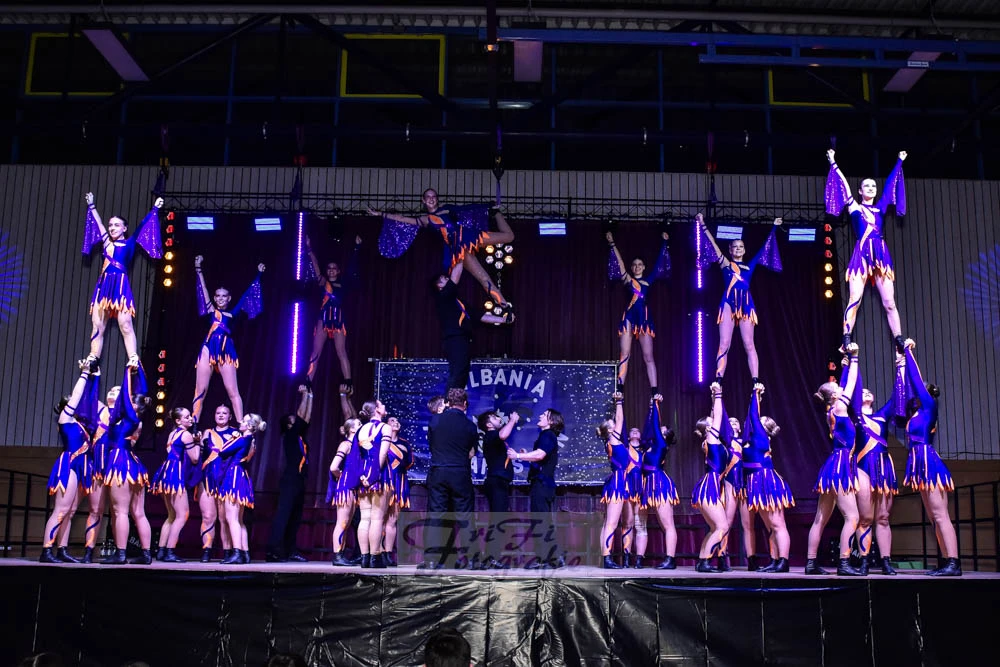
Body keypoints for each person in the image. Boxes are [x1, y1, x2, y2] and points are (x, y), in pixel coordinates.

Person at [371, 188, 515, 312]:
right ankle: (504, 306)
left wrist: (488, 206)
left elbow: (465, 208)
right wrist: (382, 214)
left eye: (433, 196)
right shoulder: (425, 219)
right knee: (484, 278)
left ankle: (496, 213)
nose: (431, 199)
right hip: (458, 249)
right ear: (423, 200)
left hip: (467, 236)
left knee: (509, 236)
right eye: (428, 197)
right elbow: (401, 218)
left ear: (437, 199)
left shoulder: (446, 208)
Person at [825, 149, 908, 352]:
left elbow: (890, 185)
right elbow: (843, 186)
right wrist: (833, 162)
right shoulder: (855, 208)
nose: (870, 188)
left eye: (873, 186)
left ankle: (898, 339)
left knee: (889, 302)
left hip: (880, 256)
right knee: (855, 299)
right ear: (860, 191)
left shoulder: (880, 208)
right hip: (861, 255)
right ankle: (846, 337)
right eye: (866, 186)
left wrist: (899, 162)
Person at [696, 213, 782, 382]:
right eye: (734, 247)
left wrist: (774, 227)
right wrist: (703, 224)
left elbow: (765, 246)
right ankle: (718, 381)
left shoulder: (750, 265)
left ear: (744, 250)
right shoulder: (725, 264)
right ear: (730, 250)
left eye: (741, 246)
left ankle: (756, 382)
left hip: (746, 304)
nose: (738, 249)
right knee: (724, 344)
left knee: (749, 343)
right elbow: (713, 246)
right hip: (728, 302)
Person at [81, 192, 163, 369]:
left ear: (125, 228)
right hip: (104, 286)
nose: (112, 228)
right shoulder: (106, 243)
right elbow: (99, 225)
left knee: (125, 324)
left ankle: (133, 357)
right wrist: (92, 206)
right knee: (97, 325)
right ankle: (93, 357)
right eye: (111, 225)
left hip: (120, 286)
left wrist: (155, 209)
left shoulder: (130, 243)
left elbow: (143, 225)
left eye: (116, 225)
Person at [902, 340, 961, 576]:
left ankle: (953, 562)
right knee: (933, 517)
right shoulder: (917, 412)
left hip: (928, 461)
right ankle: (947, 560)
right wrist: (900, 363)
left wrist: (908, 352)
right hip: (919, 463)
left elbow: (915, 379)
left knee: (940, 514)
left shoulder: (929, 406)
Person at [806, 343, 864, 576]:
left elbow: (846, 384)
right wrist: (854, 358)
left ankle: (811, 563)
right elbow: (851, 384)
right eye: (837, 387)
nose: (841, 387)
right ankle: (844, 562)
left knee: (821, 518)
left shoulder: (832, 409)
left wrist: (845, 364)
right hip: (840, 466)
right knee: (853, 516)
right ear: (835, 395)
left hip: (833, 464)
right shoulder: (840, 407)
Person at [192, 255, 264, 423]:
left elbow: (247, 293)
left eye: (224, 296)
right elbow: (203, 291)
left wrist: (259, 274)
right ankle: (193, 426)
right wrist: (198, 269)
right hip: (208, 348)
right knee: (200, 391)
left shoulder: (233, 313)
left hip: (226, 350)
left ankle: (241, 425)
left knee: (233, 391)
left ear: (229, 298)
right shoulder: (211, 310)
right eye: (218, 296)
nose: (220, 298)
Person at [39, 361, 97, 563]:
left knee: (70, 512)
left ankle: (62, 549)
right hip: (69, 463)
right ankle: (46, 550)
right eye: (73, 401)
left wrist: (94, 378)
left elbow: (88, 401)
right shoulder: (65, 418)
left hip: (81, 466)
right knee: (61, 510)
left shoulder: (79, 424)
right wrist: (84, 374)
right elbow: (78, 395)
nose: (77, 402)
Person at [605, 225, 671, 393]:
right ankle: (620, 389)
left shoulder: (648, 280)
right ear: (632, 267)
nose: (637, 267)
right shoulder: (628, 280)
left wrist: (664, 243)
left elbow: (659, 263)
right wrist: (612, 244)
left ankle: (654, 392)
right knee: (624, 354)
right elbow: (620, 265)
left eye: (640, 264)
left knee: (648, 356)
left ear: (644, 267)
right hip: (629, 317)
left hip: (644, 319)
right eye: (634, 265)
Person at [853, 361, 903, 576]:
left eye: (869, 391)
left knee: (883, 518)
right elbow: (852, 386)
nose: (865, 392)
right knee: (865, 518)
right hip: (863, 468)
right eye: (862, 391)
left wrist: (901, 366)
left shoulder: (882, 415)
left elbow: (897, 396)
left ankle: (885, 561)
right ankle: (864, 560)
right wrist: (852, 361)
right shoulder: (855, 416)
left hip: (883, 468)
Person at [101, 364, 153, 565]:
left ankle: (121, 553)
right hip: (133, 462)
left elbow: (127, 393)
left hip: (120, 461)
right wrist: (138, 370)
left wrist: (128, 372)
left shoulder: (131, 417)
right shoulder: (130, 417)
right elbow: (139, 392)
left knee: (120, 511)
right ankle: (146, 554)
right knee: (138, 512)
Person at [421, 388, 478, 569]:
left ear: (448, 403)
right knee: (465, 516)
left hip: (439, 471)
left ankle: (432, 560)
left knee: (436, 515)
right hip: (460, 472)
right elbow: (471, 452)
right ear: (465, 404)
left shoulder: (435, 421)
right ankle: (472, 560)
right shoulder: (470, 425)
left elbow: (432, 446)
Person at [433, 261, 511, 390]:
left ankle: (456, 398)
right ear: (439, 285)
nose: (448, 279)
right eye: (444, 279)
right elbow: (455, 277)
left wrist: (503, 320)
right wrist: (462, 256)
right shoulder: (443, 297)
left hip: (463, 340)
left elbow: (480, 316)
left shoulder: (459, 302)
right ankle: (450, 400)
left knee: (462, 373)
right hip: (454, 339)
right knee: (457, 373)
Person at [742, 385, 795, 573]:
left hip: (766, 481)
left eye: (759, 421)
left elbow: (752, 415)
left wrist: (755, 393)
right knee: (771, 526)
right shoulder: (751, 438)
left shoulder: (761, 436)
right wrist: (757, 397)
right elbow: (750, 419)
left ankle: (783, 561)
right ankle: (774, 560)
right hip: (756, 482)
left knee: (778, 524)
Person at [508, 409, 564, 569]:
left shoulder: (548, 435)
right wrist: (528, 456)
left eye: (544, 415)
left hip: (542, 485)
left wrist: (518, 456)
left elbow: (540, 455)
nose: (540, 415)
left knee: (541, 522)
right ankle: (551, 558)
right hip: (542, 484)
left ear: (551, 421)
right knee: (542, 521)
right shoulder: (546, 436)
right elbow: (540, 460)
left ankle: (548, 560)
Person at [207, 412, 266, 564]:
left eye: (244, 421)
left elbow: (223, 451)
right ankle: (245, 553)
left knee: (231, 518)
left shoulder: (242, 439)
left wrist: (232, 438)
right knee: (239, 520)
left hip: (233, 477)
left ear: (249, 426)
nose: (240, 422)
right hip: (242, 476)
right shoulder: (251, 440)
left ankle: (237, 553)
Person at [630, 396, 679, 570]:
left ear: (664, 436)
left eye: (662, 430)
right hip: (647, 484)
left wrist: (656, 405)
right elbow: (649, 428)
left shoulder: (661, 445)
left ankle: (670, 559)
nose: (659, 429)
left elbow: (655, 426)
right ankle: (639, 558)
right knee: (641, 523)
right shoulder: (650, 445)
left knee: (667, 524)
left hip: (659, 483)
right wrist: (651, 408)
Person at [304, 234, 361, 386]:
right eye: (329, 268)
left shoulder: (343, 283)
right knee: (315, 352)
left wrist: (357, 248)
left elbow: (352, 268)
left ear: (338, 271)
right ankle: (308, 383)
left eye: (334, 268)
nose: (331, 270)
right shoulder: (323, 282)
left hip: (338, 320)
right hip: (323, 319)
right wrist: (309, 249)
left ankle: (348, 383)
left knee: (341, 351)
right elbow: (316, 268)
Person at [691, 382, 735, 573]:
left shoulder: (712, 440)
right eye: (712, 422)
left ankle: (703, 561)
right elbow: (717, 416)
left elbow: (716, 415)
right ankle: (705, 562)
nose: (716, 422)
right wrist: (718, 394)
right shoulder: (710, 439)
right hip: (709, 486)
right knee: (722, 527)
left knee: (715, 528)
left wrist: (713, 399)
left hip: (710, 486)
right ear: (708, 428)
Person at [266, 385, 313, 563]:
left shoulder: (300, 436)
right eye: (294, 419)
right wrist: (304, 395)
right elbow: (302, 416)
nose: (298, 419)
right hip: (290, 479)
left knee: (295, 517)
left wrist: (310, 395)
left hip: (300, 480)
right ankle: (274, 550)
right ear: (288, 424)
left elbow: (306, 417)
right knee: (284, 514)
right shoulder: (291, 435)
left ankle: (290, 550)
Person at [150, 407, 200, 563]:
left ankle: (161, 550)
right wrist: (198, 443)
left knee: (171, 516)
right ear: (178, 421)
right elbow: (195, 458)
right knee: (182, 515)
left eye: (190, 416)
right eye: (186, 417)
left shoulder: (172, 434)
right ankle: (170, 551)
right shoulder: (186, 435)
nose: (190, 419)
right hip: (175, 475)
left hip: (165, 473)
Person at [596, 391, 636, 569]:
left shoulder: (614, 441)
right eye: (614, 425)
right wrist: (619, 401)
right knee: (611, 523)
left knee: (627, 522)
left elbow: (617, 420)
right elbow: (620, 419)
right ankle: (606, 558)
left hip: (623, 482)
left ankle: (623, 557)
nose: (618, 425)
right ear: (611, 430)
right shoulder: (613, 440)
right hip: (618, 483)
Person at [198, 404, 238, 562]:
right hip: (207, 479)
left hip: (226, 480)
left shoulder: (235, 433)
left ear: (230, 416)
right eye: (218, 412)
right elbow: (198, 456)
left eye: (224, 413)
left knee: (224, 518)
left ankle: (227, 552)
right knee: (208, 516)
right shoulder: (207, 433)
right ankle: (207, 550)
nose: (221, 415)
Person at [355, 400, 391, 568]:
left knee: (365, 518)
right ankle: (375, 557)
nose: (384, 407)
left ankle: (364, 558)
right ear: (376, 410)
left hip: (362, 474)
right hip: (378, 474)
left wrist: (363, 476)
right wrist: (374, 476)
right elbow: (382, 454)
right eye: (381, 405)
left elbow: (356, 456)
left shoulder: (361, 429)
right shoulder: (385, 428)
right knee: (377, 518)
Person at [329, 416, 361, 567]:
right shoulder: (345, 444)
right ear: (352, 429)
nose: (362, 426)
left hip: (353, 488)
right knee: (342, 522)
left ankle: (341, 554)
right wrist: (341, 476)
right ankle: (337, 556)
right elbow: (333, 467)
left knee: (346, 524)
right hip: (346, 487)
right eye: (359, 424)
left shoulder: (358, 446)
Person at [384, 415, 413, 566]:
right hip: (383, 482)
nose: (396, 422)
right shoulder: (381, 441)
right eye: (392, 420)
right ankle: (376, 552)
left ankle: (388, 553)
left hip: (399, 482)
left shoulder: (405, 443)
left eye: (397, 421)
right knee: (378, 519)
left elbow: (409, 462)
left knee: (392, 520)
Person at [479, 410, 519, 513]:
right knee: (498, 516)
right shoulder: (491, 435)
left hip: (499, 481)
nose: (499, 418)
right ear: (489, 425)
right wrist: (512, 420)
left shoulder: (493, 438)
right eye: (494, 417)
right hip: (497, 482)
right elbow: (503, 435)